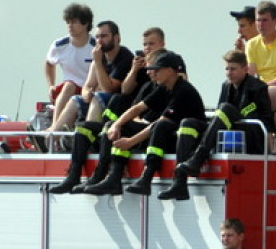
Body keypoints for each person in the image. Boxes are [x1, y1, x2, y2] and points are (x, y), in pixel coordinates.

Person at [82, 51, 206, 197]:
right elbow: (138, 108)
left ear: (169, 71)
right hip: (164, 135)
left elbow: (161, 122)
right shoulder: (164, 87)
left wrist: (130, 142)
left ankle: (147, 177)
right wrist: (117, 125)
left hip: (184, 143)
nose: (152, 73)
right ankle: (113, 178)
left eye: (157, 70)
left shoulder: (183, 90)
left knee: (160, 126)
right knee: (114, 126)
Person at [158, 49, 274, 201]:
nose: (229, 73)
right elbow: (219, 116)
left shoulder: (258, 87)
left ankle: (197, 158)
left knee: (226, 108)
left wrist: (269, 146)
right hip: (227, 131)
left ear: (245, 69)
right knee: (187, 123)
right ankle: (179, 181)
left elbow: (267, 120)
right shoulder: (226, 86)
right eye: (227, 69)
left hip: (250, 135)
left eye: (233, 69)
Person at [44, 20, 133, 144]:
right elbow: (87, 86)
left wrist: (98, 63)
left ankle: (86, 140)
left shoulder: (125, 57)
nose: (99, 41)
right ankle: (51, 139)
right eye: (97, 37)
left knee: (98, 97)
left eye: (104, 36)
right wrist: (86, 94)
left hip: (117, 105)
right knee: (76, 100)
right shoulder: (99, 56)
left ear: (116, 38)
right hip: (99, 101)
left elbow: (108, 88)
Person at [44, 3, 95, 118]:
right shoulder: (59, 45)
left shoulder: (95, 46)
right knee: (69, 85)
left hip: (89, 91)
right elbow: (49, 63)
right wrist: (51, 85)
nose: (70, 26)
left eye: (74, 22)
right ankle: (56, 124)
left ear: (86, 23)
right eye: (68, 22)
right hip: (67, 90)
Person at [245, 0, 276, 112]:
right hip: (263, 88)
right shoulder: (251, 44)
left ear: (275, 21)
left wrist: (261, 87)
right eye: (258, 20)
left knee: (267, 94)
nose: (261, 25)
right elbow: (250, 73)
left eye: (265, 20)